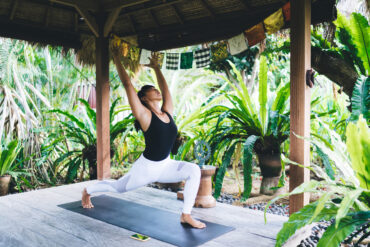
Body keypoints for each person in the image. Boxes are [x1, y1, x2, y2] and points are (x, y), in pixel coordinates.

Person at [81, 50, 206, 229]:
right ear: (144, 98)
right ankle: (88, 190)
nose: (157, 91)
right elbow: (126, 84)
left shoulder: (167, 112)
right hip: (146, 169)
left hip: (165, 165)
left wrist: (156, 68)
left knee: (194, 170)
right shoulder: (144, 115)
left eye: (156, 89)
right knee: (117, 188)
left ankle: (186, 215)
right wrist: (116, 57)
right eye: (152, 90)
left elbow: (165, 89)